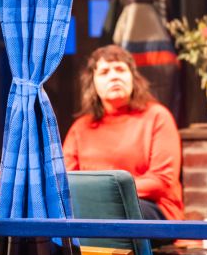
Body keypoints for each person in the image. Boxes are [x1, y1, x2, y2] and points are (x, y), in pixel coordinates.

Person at [63, 44, 184, 222]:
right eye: (104, 72)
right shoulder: (80, 127)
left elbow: (161, 181)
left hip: (151, 207)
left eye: (120, 69)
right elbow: (65, 179)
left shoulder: (157, 116)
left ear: (133, 78)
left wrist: (105, 194)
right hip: (92, 207)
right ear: (93, 83)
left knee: (111, 215)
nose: (114, 76)